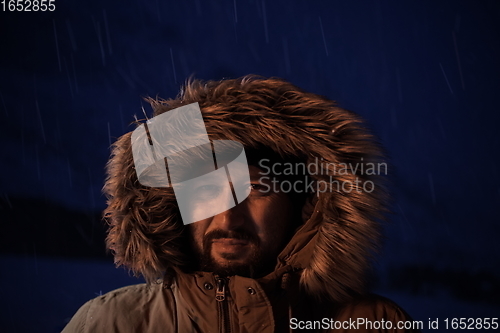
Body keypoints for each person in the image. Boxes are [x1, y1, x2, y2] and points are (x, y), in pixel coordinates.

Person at [62, 76, 421, 332]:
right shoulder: (111, 324)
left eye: (255, 189)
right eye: (205, 191)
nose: (228, 217)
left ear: (303, 206)